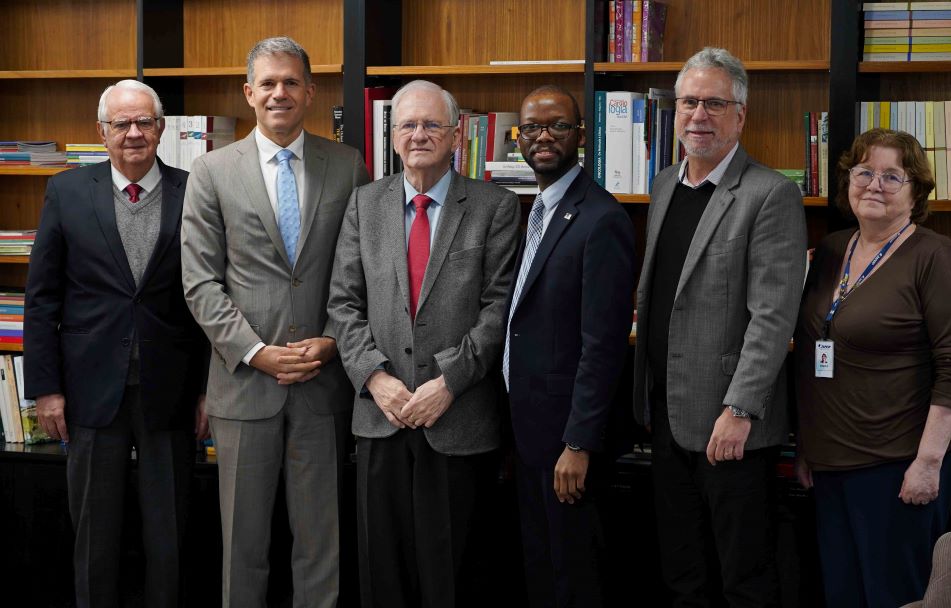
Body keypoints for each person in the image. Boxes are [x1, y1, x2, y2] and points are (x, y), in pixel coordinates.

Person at [181, 36, 368, 608]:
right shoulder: (211, 170)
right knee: (243, 545)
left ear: (310, 92)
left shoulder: (347, 165)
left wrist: (334, 342)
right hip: (244, 385)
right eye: (268, 83)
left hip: (322, 383)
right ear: (249, 93)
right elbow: (200, 282)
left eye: (291, 82)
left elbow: (357, 269)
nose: (279, 93)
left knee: (322, 543)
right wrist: (256, 351)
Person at [328, 79, 519, 608]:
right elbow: (342, 304)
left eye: (432, 124)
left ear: (456, 135)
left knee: (454, 577)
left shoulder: (494, 206)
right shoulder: (365, 204)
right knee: (382, 576)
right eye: (408, 125)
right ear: (392, 136)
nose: (419, 135)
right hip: (380, 417)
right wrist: (374, 377)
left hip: (456, 418)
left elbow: (498, 309)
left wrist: (448, 383)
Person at [631, 47, 807, 606]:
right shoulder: (663, 186)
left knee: (743, 579)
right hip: (665, 414)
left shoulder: (770, 194)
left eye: (713, 103)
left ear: (741, 115)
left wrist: (739, 411)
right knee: (683, 573)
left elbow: (773, 318)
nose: (698, 115)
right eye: (688, 102)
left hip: (730, 427)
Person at [24, 79, 209, 608]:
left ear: (162, 128)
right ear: (101, 132)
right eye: (121, 124)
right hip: (87, 394)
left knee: (168, 534)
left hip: (170, 393)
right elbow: (42, 300)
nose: (133, 133)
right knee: (94, 537)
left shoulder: (195, 189)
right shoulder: (66, 192)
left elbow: (206, 301)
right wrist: (46, 390)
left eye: (144, 122)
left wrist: (206, 390)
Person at [794, 128, 951, 608]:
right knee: (842, 594)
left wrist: (928, 463)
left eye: (892, 176)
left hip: (899, 465)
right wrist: (809, 448)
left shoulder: (935, 257)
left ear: (916, 192)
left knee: (895, 596)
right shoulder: (831, 250)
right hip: (830, 465)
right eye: (864, 171)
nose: (874, 184)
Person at [504, 85, 634, 608]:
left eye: (557, 126)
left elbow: (602, 347)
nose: (542, 137)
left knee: (574, 576)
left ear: (581, 135)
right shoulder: (533, 212)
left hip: (567, 443)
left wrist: (577, 444)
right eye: (531, 127)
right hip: (529, 432)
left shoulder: (601, 220)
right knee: (541, 567)